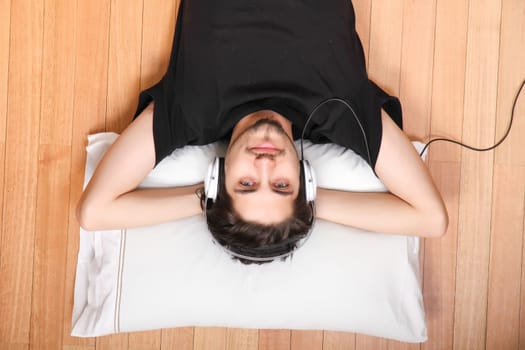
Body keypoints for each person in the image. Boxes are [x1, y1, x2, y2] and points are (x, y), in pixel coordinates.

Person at [77, 0, 448, 263]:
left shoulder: (189, 111)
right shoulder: (341, 113)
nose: (265, 165)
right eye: (283, 186)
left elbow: (94, 213)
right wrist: (307, 205)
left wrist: (207, 200)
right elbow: (431, 219)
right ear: (305, 182)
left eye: (247, 185)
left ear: (219, 180)